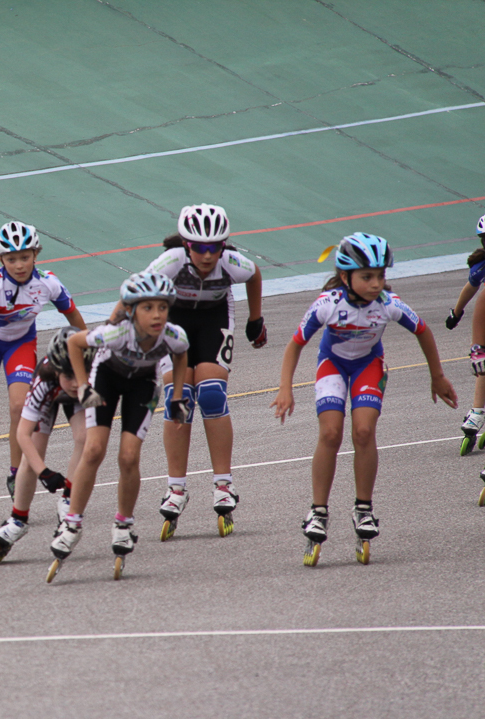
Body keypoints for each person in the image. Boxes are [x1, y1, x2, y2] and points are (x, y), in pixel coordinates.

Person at [271, 233, 457, 567]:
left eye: (381, 276)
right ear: (345, 277)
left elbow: (423, 331)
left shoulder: (388, 303)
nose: (376, 284)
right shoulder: (328, 303)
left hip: (368, 366)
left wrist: (437, 376)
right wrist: (285, 387)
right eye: (367, 277)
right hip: (333, 364)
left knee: (363, 432)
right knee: (330, 433)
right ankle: (318, 512)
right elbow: (295, 344)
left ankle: (363, 509)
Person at [46, 272, 189, 582]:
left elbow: (181, 356)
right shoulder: (116, 333)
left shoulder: (173, 335)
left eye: (162, 307)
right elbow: (74, 342)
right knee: (93, 449)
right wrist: (83, 385)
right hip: (106, 378)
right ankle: (72, 523)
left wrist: (177, 396)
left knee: (129, 457)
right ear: (132, 310)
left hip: (142, 384)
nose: (157, 315)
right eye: (148, 308)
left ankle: (123, 524)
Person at [0, 221, 86, 518]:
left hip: (21, 344)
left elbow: (76, 320)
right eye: (11, 259)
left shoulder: (48, 283)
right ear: (0, 259)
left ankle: (15, 472)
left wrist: (88, 354)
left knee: (21, 407)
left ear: (36, 254)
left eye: (25, 257)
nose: (19, 265)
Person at [144, 203, 265, 539]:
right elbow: (139, 293)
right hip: (174, 320)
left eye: (215, 247)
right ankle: (175, 488)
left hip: (214, 319)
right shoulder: (170, 263)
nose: (208, 255)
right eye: (199, 247)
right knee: (178, 400)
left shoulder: (231, 263)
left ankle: (224, 485)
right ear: (187, 245)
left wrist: (255, 319)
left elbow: (254, 274)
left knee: (211, 394)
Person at [0, 327, 92, 566]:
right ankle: (18, 519)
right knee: (32, 455)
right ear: (57, 370)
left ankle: (68, 501)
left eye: (79, 374)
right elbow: (22, 434)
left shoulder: (95, 374)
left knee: (85, 439)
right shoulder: (44, 378)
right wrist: (44, 472)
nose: (75, 383)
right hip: (50, 394)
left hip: (83, 396)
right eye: (69, 376)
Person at [446, 214, 485, 455]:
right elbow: (472, 290)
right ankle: (477, 411)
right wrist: (456, 312)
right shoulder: (481, 267)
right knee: (483, 365)